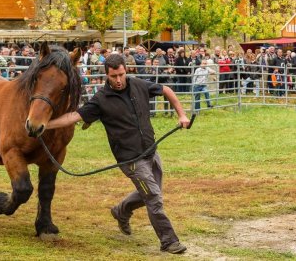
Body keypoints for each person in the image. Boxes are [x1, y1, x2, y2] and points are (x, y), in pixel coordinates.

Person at [46, 54, 190, 254]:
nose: (119, 80)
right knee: (154, 198)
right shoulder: (100, 100)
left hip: (151, 152)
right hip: (130, 160)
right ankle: (169, 241)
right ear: (107, 75)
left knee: (147, 194)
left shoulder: (139, 85)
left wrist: (182, 114)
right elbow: (73, 116)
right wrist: (45, 125)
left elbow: (166, 90)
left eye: (121, 74)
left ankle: (121, 211)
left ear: (126, 71)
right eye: (114, 76)